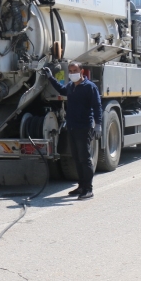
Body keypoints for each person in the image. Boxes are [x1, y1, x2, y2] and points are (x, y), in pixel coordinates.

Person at [43, 61, 102, 200]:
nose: (72, 73)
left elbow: (97, 106)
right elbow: (62, 90)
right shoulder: (71, 86)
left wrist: (98, 124)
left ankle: (88, 189)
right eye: (70, 71)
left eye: (75, 70)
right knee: (76, 157)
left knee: (85, 158)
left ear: (81, 71)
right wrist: (51, 78)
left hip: (84, 127)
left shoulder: (89, 87)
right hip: (72, 127)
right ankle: (81, 186)